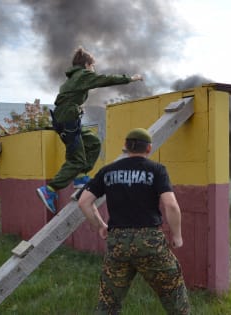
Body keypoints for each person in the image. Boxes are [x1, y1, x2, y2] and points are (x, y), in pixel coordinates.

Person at [78, 128, 190, 315]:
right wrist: (177, 236)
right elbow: (171, 205)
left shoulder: (107, 171)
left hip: (118, 243)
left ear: (125, 146)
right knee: (174, 296)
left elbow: (84, 202)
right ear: (148, 148)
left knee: (108, 303)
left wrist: (100, 226)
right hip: (150, 243)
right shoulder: (156, 170)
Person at [36, 47, 143, 213]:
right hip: (68, 119)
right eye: (93, 66)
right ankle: (49, 189)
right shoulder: (83, 75)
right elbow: (104, 79)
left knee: (93, 142)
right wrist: (130, 78)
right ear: (87, 64)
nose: (94, 69)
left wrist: (77, 108)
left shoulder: (72, 79)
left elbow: (69, 98)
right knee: (76, 159)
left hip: (68, 118)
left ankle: (81, 178)